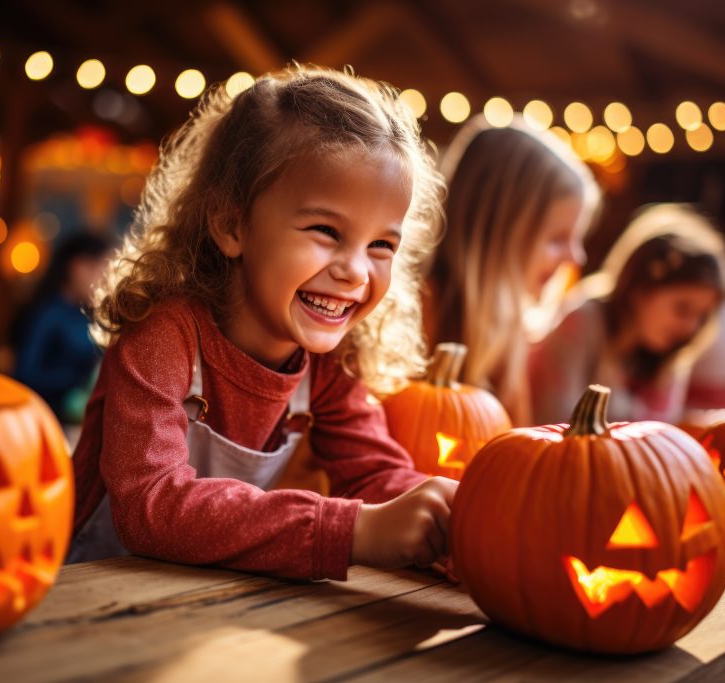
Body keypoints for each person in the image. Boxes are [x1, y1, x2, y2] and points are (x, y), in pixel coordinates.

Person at [67, 65, 454, 581]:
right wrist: (354, 531)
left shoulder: (331, 363)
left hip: (214, 601)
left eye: (381, 244)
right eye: (325, 230)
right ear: (231, 224)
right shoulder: (164, 336)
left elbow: (375, 474)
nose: (356, 271)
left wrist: (453, 522)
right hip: (90, 591)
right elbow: (150, 507)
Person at [426, 117, 601, 425]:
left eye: (577, 238)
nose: (576, 255)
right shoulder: (421, 312)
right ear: (498, 232)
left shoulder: (510, 331)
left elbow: (515, 447)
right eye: (557, 239)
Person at [529, 204, 725, 424]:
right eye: (682, 308)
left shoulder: (673, 356)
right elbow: (555, 419)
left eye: (703, 317)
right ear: (640, 290)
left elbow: (660, 431)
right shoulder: (581, 321)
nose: (692, 327)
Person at [13, 232, 111, 422]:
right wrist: (79, 377)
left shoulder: (91, 315)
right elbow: (25, 375)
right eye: (101, 269)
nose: (105, 278)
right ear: (77, 267)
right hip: (46, 420)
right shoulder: (47, 314)